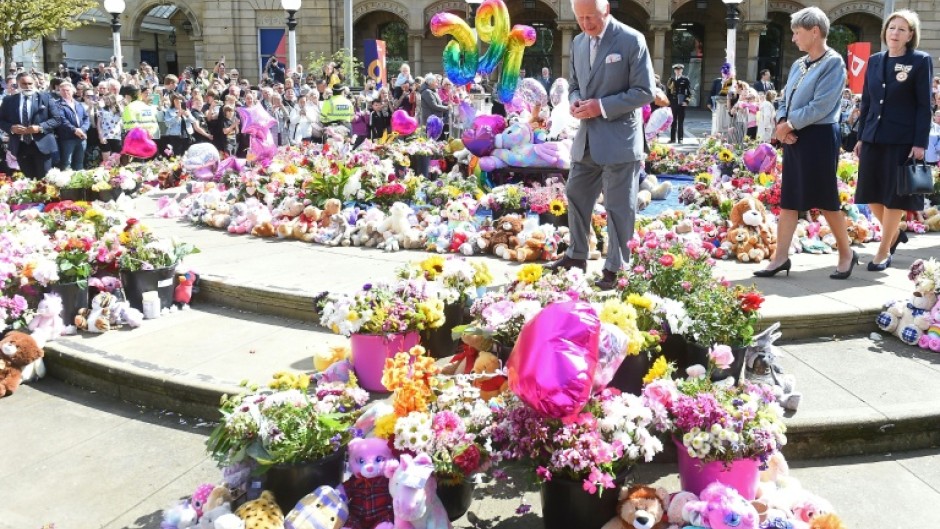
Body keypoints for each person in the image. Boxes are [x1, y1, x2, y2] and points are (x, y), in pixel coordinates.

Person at [545, 0, 655, 291]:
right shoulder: (579, 42)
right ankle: (576, 256)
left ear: (606, 9)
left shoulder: (632, 40)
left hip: (620, 140)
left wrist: (601, 107)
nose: (586, 24)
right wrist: (574, 102)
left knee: (619, 207)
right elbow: (574, 85)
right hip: (587, 139)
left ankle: (616, 268)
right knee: (576, 193)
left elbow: (645, 91)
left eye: (591, 17)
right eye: (580, 18)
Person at [755, 6, 855, 280]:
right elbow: (784, 97)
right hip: (795, 136)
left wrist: (789, 125)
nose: (793, 38)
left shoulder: (833, 63)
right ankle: (780, 258)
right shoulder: (799, 64)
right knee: (790, 199)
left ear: (815, 31)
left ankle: (846, 253)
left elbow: (821, 105)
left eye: (797, 32)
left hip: (819, 138)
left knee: (826, 200)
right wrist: (782, 121)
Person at [853, 9, 932, 271]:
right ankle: (895, 234)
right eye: (891, 27)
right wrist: (861, 136)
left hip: (902, 139)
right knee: (869, 192)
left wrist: (920, 142)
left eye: (901, 29)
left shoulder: (919, 60)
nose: (894, 33)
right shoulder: (875, 60)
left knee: (894, 197)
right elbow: (867, 102)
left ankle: (883, 250)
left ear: (910, 35)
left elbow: (923, 105)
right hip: (873, 136)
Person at [0, 73, 61, 178]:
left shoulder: (45, 98)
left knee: (44, 180)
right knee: (28, 180)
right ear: (18, 84)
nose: (28, 86)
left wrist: (40, 127)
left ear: (34, 83)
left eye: (30, 83)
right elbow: (1, 120)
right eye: (24, 84)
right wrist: (11, 128)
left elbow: (57, 119)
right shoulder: (8, 100)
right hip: (21, 146)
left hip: (42, 145)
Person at [54, 81, 90, 170]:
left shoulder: (78, 104)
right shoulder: (57, 105)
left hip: (81, 137)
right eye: (63, 90)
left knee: (79, 162)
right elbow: (62, 120)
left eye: (67, 90)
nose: (65, 92)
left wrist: (82, 129)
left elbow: (86, 118)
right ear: (59, 92)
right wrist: (75, 130)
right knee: (66, 163)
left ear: (73, 91)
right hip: (67, 138)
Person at [666, 63, 691, 144]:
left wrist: (686, 101)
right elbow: (668, 93)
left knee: (680, 122)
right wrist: (668, 103)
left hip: (681, 103)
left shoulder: (685, 79)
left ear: (682, 70)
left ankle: (680, 139)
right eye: (676, 70)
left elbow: (689, 92)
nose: (678, 71)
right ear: (674, 71)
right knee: (673, 121)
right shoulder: (671, 80)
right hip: (673, 103)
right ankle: (672, 139)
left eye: (679, 70)